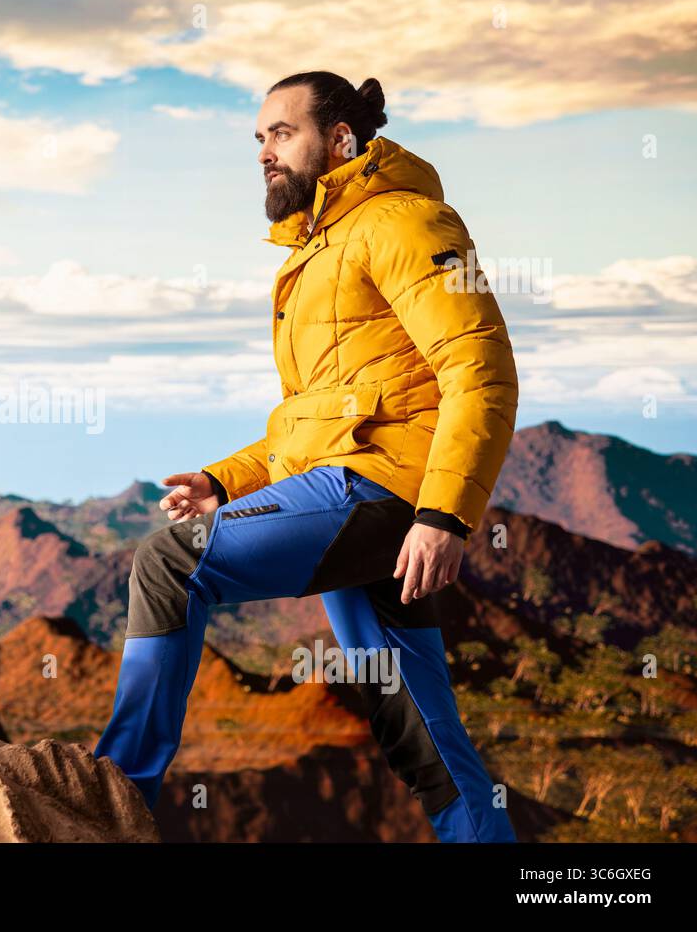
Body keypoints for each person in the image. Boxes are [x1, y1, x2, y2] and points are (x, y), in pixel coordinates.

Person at [93, 71, 520, 843]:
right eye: (258, 138)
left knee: (170, 564)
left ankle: (112, 800)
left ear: (342, 141)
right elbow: (316, 423)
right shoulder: (319, 252)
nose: (264, 151)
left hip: (385, 495)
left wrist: (446, 515)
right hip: (361, 493)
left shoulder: (409, 223)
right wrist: (227, 479)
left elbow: (480, 366)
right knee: (420, 737)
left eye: (282, 132)